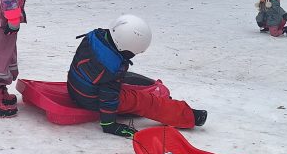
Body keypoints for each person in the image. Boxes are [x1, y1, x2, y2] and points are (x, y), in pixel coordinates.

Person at [67, 14, 207, 138]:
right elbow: (108, 97)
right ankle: (189, 115)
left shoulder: (95, 37)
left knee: (130, 80)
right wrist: (109, 125)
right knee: (144, 101)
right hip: (90, 99)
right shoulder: (111, 68)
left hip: (76, 87)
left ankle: (165, 103)